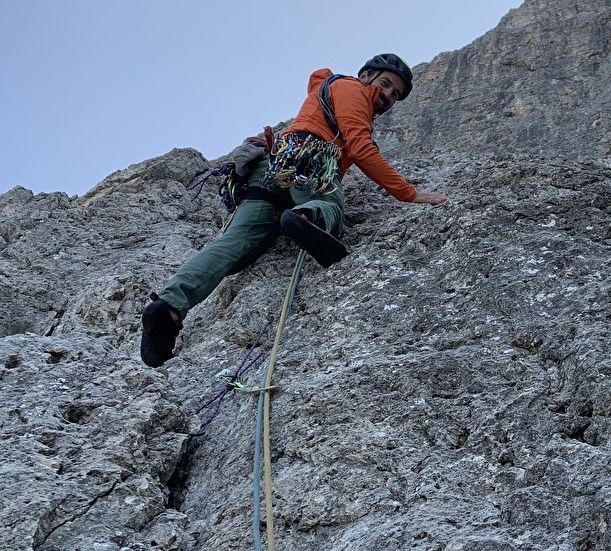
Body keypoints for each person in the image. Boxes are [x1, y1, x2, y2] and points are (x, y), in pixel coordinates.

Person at [140, 53, 445, 367]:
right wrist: (410, 194)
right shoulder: (354, 90)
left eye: (395, 95)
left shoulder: (326, 89)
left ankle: (170, 306)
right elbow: (359, 146)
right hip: (310, 161)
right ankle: (306, 215)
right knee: (329, 207)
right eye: (385, 84)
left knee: (233, 246)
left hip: (273, 169)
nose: (388, 96)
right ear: (366, 75)